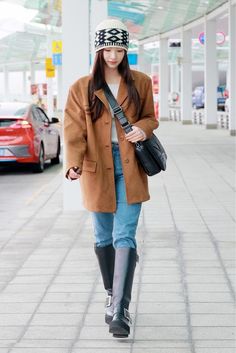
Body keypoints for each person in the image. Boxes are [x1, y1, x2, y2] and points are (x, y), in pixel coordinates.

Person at [64, 18, 158, 338]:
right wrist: (73, 163)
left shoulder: (141, 82)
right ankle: (110, 293)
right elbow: (74, 130)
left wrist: (141, 129)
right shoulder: (82, 87)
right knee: (104, 236)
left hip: (130, 165)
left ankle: (120, 308)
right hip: (95, 166)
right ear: (99, 50)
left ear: (126, 50)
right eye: (107, 49)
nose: (113, 55)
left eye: (119, 49)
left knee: (125, 234)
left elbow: (150, 117)